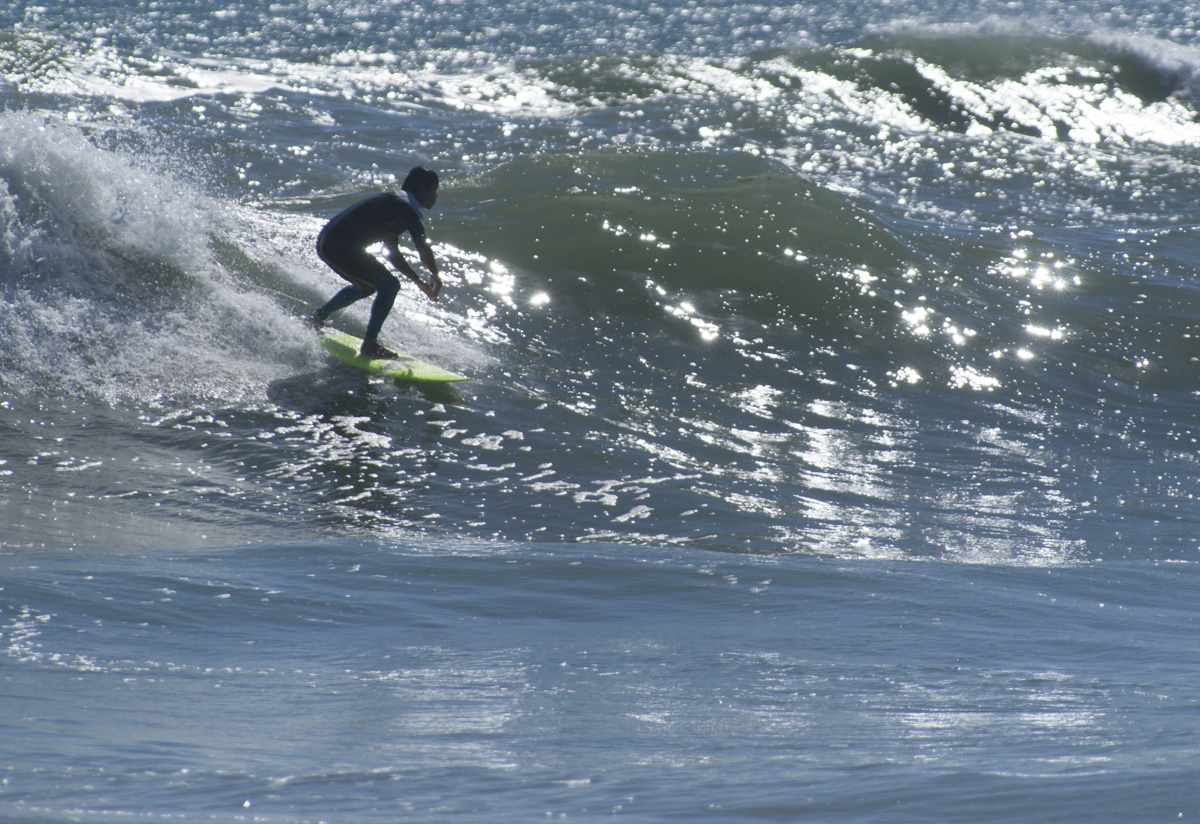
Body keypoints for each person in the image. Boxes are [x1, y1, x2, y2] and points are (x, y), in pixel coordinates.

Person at [307, 166, 442, 358]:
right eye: (434, 190)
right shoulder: (411, 207)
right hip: (342, 247)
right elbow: (423, 248)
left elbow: (393, 254)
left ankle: (316, 319)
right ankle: (370, 345)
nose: (436, 196)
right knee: (390, 286)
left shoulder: (395, 201)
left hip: (327, 242)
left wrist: (418, 281)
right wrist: (435, 274)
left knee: (367, 286)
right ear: (421, 189)